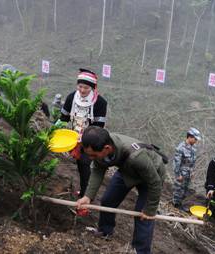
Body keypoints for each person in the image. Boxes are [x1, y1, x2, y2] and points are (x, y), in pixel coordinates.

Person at [76, 126, 167, 254]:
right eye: (89, 155)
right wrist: (88, 196)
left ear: (107, 148)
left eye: (93, 155)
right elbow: (97, 170)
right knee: (108, 200)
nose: (91, 158)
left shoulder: (136, 156)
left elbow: (155, 182)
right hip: (127, 170)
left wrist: (150, 210)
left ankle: (140, 251)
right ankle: (105, 231)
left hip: (151, 175)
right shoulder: (101, 147)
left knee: (144, 215)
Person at [60, 68, 107, 197]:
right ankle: (79, 189)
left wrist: (83, 142)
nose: (82, 90)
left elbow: (99, 126)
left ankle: (85, 195)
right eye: (80, 86)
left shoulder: (100, 103)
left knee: (85, 166)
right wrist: (55, 130)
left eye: (86, 87)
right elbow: (63, 118)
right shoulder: (71, 97)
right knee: (71, 165)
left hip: (90, 140)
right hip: (72, 136)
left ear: (92, 87)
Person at [172, 127, 201, 210]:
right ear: (190, 137)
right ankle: (175, 205)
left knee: (185, 190)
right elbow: (176, 162)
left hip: (188, 173)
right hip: (181, 173)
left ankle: (180, 204)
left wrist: (192, 173)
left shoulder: (193, 148)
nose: (196, 141)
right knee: (178, 189)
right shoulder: (181, 147)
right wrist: (178, 175)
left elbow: (192, 162)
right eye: (195, 139)